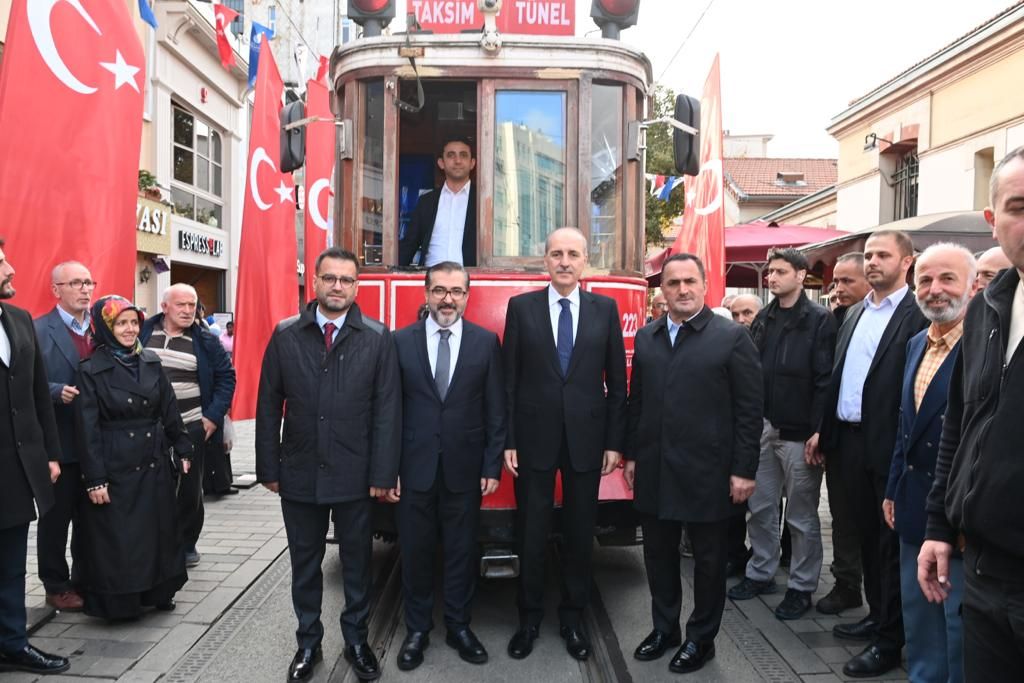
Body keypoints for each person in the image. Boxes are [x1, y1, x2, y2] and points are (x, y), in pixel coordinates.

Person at [256, 247, 400, 682]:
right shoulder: (285, 335)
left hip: (355, 477)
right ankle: (308, 643)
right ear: (314, 282)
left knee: (357, 564)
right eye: (330, 278)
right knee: (305, 563)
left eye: (347, 280)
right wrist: (269, 469)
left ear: (357, 287)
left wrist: (382, 474)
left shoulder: (377, 337)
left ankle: (356, 640)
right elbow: (267, 406)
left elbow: (387, 411)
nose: (338, 286)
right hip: (299, 473)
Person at [624, 253, 762, 674]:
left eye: (690, 282)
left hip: (710, 472)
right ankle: (664, 628)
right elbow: (638, 402)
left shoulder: (732, 337)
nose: (682, 290)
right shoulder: (647, 338)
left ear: (704, 286)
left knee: (707, 561)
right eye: (673, 283)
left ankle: (701, 638)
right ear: (661, 290)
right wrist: (631, 453)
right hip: (655, 467)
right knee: (659, 556)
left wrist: (744, 469)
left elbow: (749, 410)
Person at [919, 146, 1024, 678]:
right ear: (994, 221)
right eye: (1020, 206)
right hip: (982, 573)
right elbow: (959, 426)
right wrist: (938, 525)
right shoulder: (987, 308)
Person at [502, 227, 627, 662]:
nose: (564, 261)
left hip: (587, 441)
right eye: (556, 253)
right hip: (533, 441)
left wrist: (615, 442)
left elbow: (617, 384)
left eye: (573, 254)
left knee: (578, 534)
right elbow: (509, 383)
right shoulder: (521, 309)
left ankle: (573, 618)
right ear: (545, 260)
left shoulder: (604, 310)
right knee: (531, 533)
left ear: (585, 260)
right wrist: (510, 440)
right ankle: (529, 618)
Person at [813, 229, 927, 677]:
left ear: (907, 262)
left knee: (889, 543)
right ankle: (878, 615)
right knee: (861, 534)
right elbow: (839, 376)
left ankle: (890, 639)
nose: (873, 261)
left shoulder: (918, 314)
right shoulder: (855, 312)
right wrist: (825, 432)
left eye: (883, 255)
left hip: (888, 445)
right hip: (846, 442)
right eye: (870, 255)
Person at [387, 262, 505, 671]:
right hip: (413, 469)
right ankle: (417, 629)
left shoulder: (486, 342)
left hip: (466, 469)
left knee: (460, 552)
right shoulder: (398, 342)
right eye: (439, 290)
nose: (447, 298)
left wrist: (492, 464)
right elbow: (390, 411)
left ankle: (458, 626)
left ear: (468, 296)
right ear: (425, 293)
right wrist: (389, 470)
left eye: (456, 291)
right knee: (416, 553)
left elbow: (496, 410)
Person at [882, 243, 974, 683]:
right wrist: (892, 486)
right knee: (921, 628)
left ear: (973, 286)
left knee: (958, 633)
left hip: (959, 517)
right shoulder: (918, 342)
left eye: (947, 279)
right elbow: (907, 425)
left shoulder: (983, 348)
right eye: (925, 280)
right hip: (913, 507)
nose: (934, 290)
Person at [728, 248, 836, 620]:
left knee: (802, 516)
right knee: (760, 507)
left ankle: (802, 586)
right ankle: (761, 572)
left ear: (801, 275)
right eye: (770, 272)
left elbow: (825, 379)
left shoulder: (819, 319)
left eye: (779, 272)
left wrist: (819, 429)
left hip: (799, 432)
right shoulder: (765, 317)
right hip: (763, 426)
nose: (771, 277)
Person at [75, 295, 193, 620]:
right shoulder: (91, 369)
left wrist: (182, 447)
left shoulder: (150, 361)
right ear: (105, 327)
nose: (129, 330)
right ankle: (121, 602)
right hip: (116, 463)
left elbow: (169, 410)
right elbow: (87, 430)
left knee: (158, 531)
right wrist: (94, 479)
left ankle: (158, 591)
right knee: (121, 538)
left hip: (153, 458)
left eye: (133, 322)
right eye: (121, 323)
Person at [0, 239, 70, 675]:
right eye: (0, 261)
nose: (9, 267)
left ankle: (12, 641)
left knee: (10, 566)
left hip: (15, 470)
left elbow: (36, 398)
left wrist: (50, 454)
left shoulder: (19, 320)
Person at [141, 284, 235, 567]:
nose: (187, 310)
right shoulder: (144, 331)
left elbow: (226, 379)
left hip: (191, 425)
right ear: (164, 306)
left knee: (190, 490)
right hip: (149, 428)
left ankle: (186, 544)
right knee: (151, 487)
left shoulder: (205, 340)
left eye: (192, 305)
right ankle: (154, 543)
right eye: (181, 305)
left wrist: (212, 417)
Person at [33, 261, 97, 611]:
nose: (85, 289)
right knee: (56, 520)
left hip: (97, 445)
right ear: (56, 290)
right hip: (61, 442)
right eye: (75, 283)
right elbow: (21, 382)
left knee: (92, 520)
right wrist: (56, 390)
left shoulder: (103, 329)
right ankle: (56, 584)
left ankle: (87, 577)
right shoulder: (38, 330)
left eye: (88, 282)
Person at [399, 137, 477, 267]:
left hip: (470, 280)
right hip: (431, 279)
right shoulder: (427, 201)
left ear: (472, 163)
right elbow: (409, 244)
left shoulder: (482, 202)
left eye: (463, 155)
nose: (457, 161)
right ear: (441, 163)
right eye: (451, 155)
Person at [830, 252, 872, 326]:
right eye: (836, 282)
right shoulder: (833, 320)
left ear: (869, 280)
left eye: (846, 281)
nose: (839, 289)